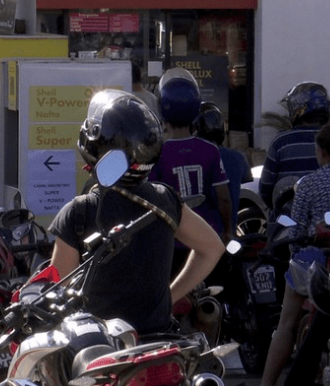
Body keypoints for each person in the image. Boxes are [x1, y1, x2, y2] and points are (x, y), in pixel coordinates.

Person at [49, 89, 225, 335]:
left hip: (102, 346)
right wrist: (169, 298)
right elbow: (212, 247)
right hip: (159, 336)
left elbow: (57, 284)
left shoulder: (78, 211)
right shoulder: (165, 199)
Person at [247, 125, 330, 386]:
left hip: (314, 258)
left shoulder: (308, 183)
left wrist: (294, 251)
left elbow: (295, 233)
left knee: (287, 322)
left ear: (321, 152)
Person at [150, 68, 232, 273]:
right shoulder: (210, 150)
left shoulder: (157, 153)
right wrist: (228, 230)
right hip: (207, 236)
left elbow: (152, 200)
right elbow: (224, 198)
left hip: (173, 239)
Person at [258, 81, 330, 210]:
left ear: (296, 107)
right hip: (326, 219)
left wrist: (276, 209)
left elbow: (265, 188)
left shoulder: (281, 141)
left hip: (288, 217)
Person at [193, 101, 252, 231]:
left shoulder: (191, 157)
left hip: (198, 235)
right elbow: (247, 184)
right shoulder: (238, 157)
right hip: (228, 234)